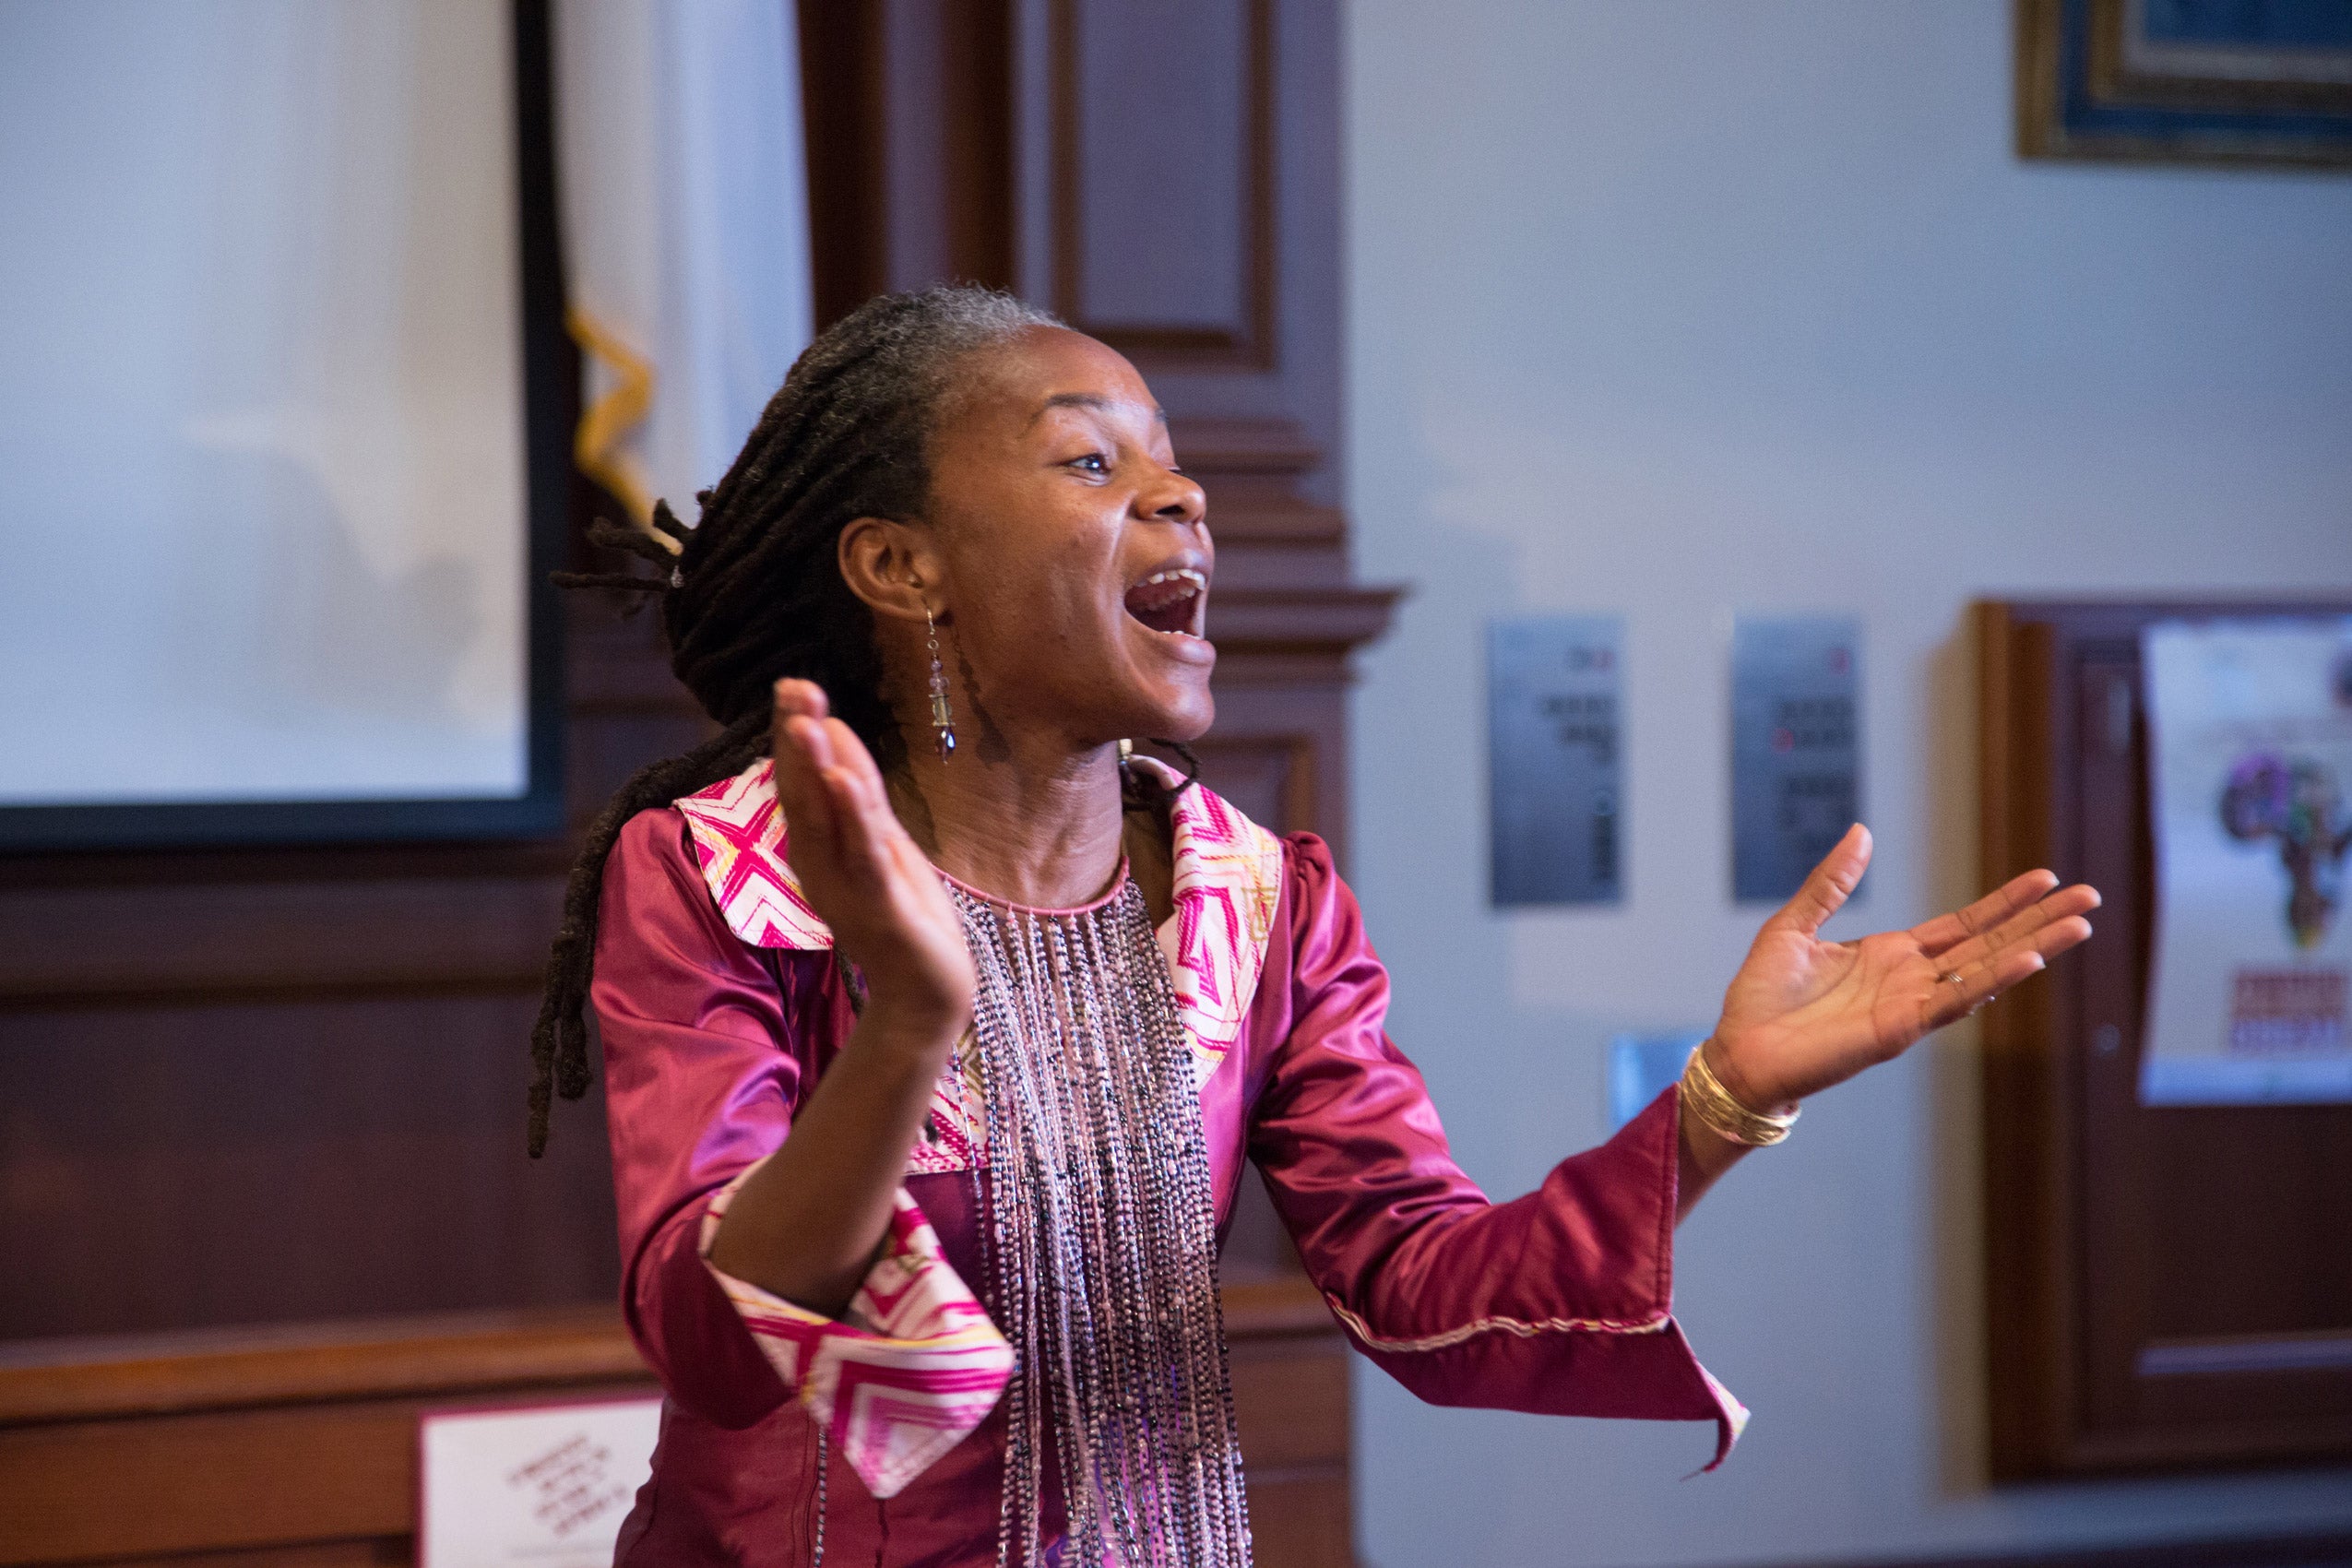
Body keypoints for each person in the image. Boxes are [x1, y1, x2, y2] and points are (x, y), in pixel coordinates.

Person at [528, 285, 2097, 1568]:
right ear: (900, 565)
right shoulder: (726, 873)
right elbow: (712, 1332)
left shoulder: (1254, 899)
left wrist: (1716, 1103)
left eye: (1171, 463)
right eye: (1089, 464)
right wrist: (910, 1027)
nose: (1179, 494)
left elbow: (1421, 1294)